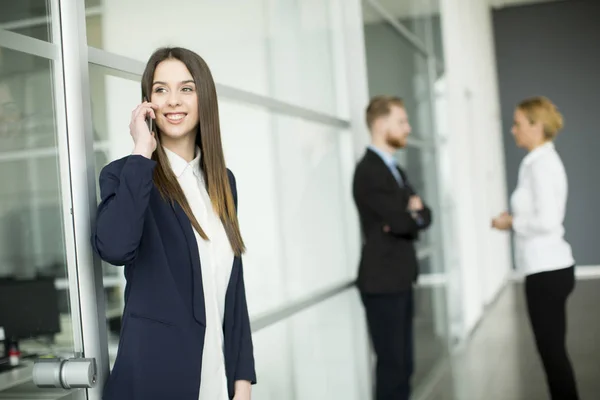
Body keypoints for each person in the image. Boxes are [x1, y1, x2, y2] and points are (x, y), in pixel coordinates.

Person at [91, 47, 256, 400]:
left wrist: (242, 382)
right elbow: (115, 248)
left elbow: (233, 290)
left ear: (204, 99)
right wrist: (141, 150)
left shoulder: (222, 182)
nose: (172, 101)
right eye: (160, 89)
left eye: (186, 88)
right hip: (156, 380)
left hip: (216, 382)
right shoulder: (127, 174)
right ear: (147, 102)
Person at [492, 96, 579, 400]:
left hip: (547, 272)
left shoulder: (541, 165)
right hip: (548, 268)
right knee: (552, 351)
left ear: (536, 126)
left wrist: (511, 223)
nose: (513, 130)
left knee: (552, 354)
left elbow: (547, 220)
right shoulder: (537, 162)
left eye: (517, 124)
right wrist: (514, 220)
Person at [352, 96, 432, 400]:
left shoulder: (395, 170)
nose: (408, 128)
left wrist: (413, 214)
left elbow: (425, 215)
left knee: (405, 366)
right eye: (402, 121)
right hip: (382, 281)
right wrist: (411, 213)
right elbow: (401, 222)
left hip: (398, 278)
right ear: (381, 124)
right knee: (392, 366)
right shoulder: (369, 171)